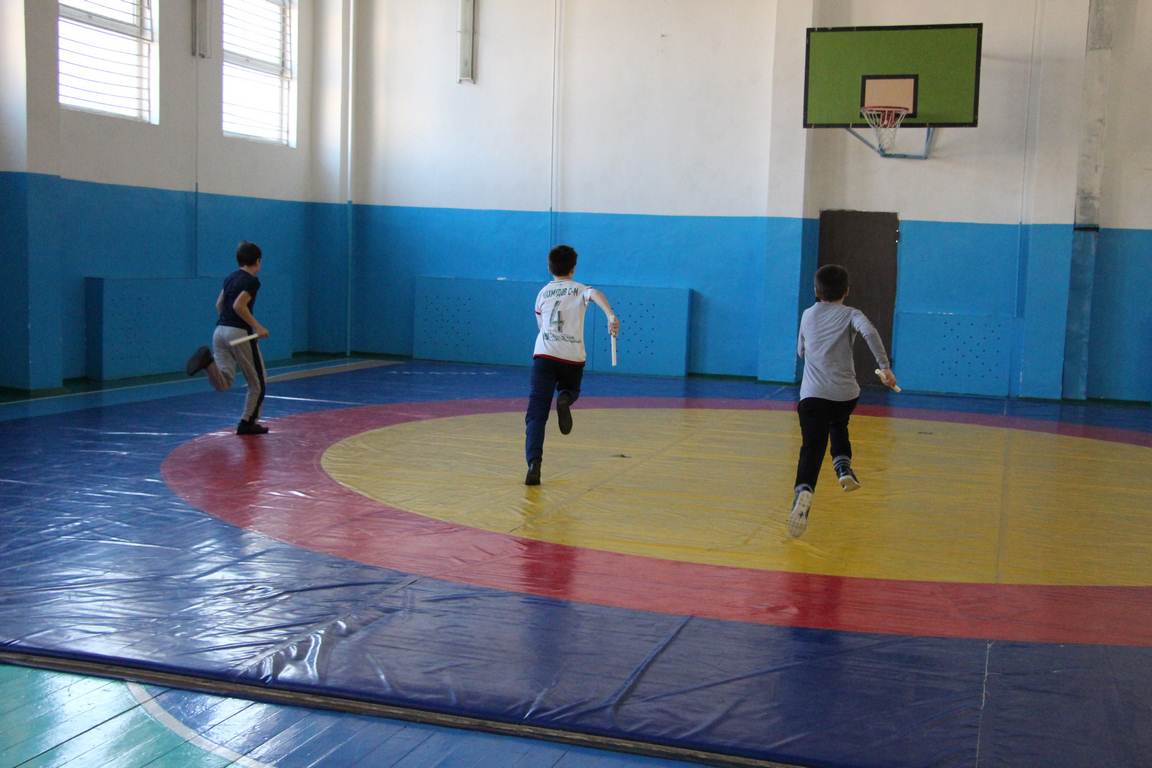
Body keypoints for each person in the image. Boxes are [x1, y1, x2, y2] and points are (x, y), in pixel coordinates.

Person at [789, 264, 897, 537]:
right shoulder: (852, 314)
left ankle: (804, 489)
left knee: (812, 447)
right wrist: (884, 367)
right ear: (846, 291)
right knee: (838, 423)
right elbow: (869, 332)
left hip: (813, 395)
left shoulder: (807, 314)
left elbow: (801, 351)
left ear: (816, 290)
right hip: (845, 395)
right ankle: (842, 466)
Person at [524, 244, 620, 485]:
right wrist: (610, 314)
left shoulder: (543, 293)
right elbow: (595, 294)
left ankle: (534, 464)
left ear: (550, 268)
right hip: (571, 356)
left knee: (536, 414)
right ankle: (565, 398)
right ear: (573, 268)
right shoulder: (580, 289)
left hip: (544, 354)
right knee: (572, 389)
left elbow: (541, 325)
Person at [185, 241, 272, 435]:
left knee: (224, 381)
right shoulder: (252, 281)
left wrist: (227, 325)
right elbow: (238, 306)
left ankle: (208, 363)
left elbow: (219, 304)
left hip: (220, 331)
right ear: (258, 261)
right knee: (258, 381)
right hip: (239, 333)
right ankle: (247, 422)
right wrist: (257, 327)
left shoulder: (230, 278)